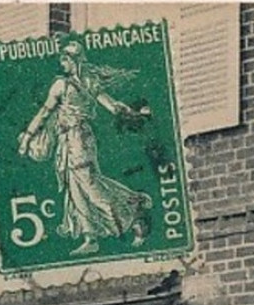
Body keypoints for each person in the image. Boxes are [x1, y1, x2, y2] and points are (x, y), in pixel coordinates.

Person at [17, 38, 153, 257]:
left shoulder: (65, 85)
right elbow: (111, 105)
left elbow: (44, 113)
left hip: (78, 138)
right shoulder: (86, 81)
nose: (62, 63)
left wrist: (26, 139)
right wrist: (127, 111)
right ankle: (91, 238)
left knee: (89, 184)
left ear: (74, 60)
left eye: (65, 59)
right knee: (76, 187)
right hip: (72, 139)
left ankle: (133, 216)